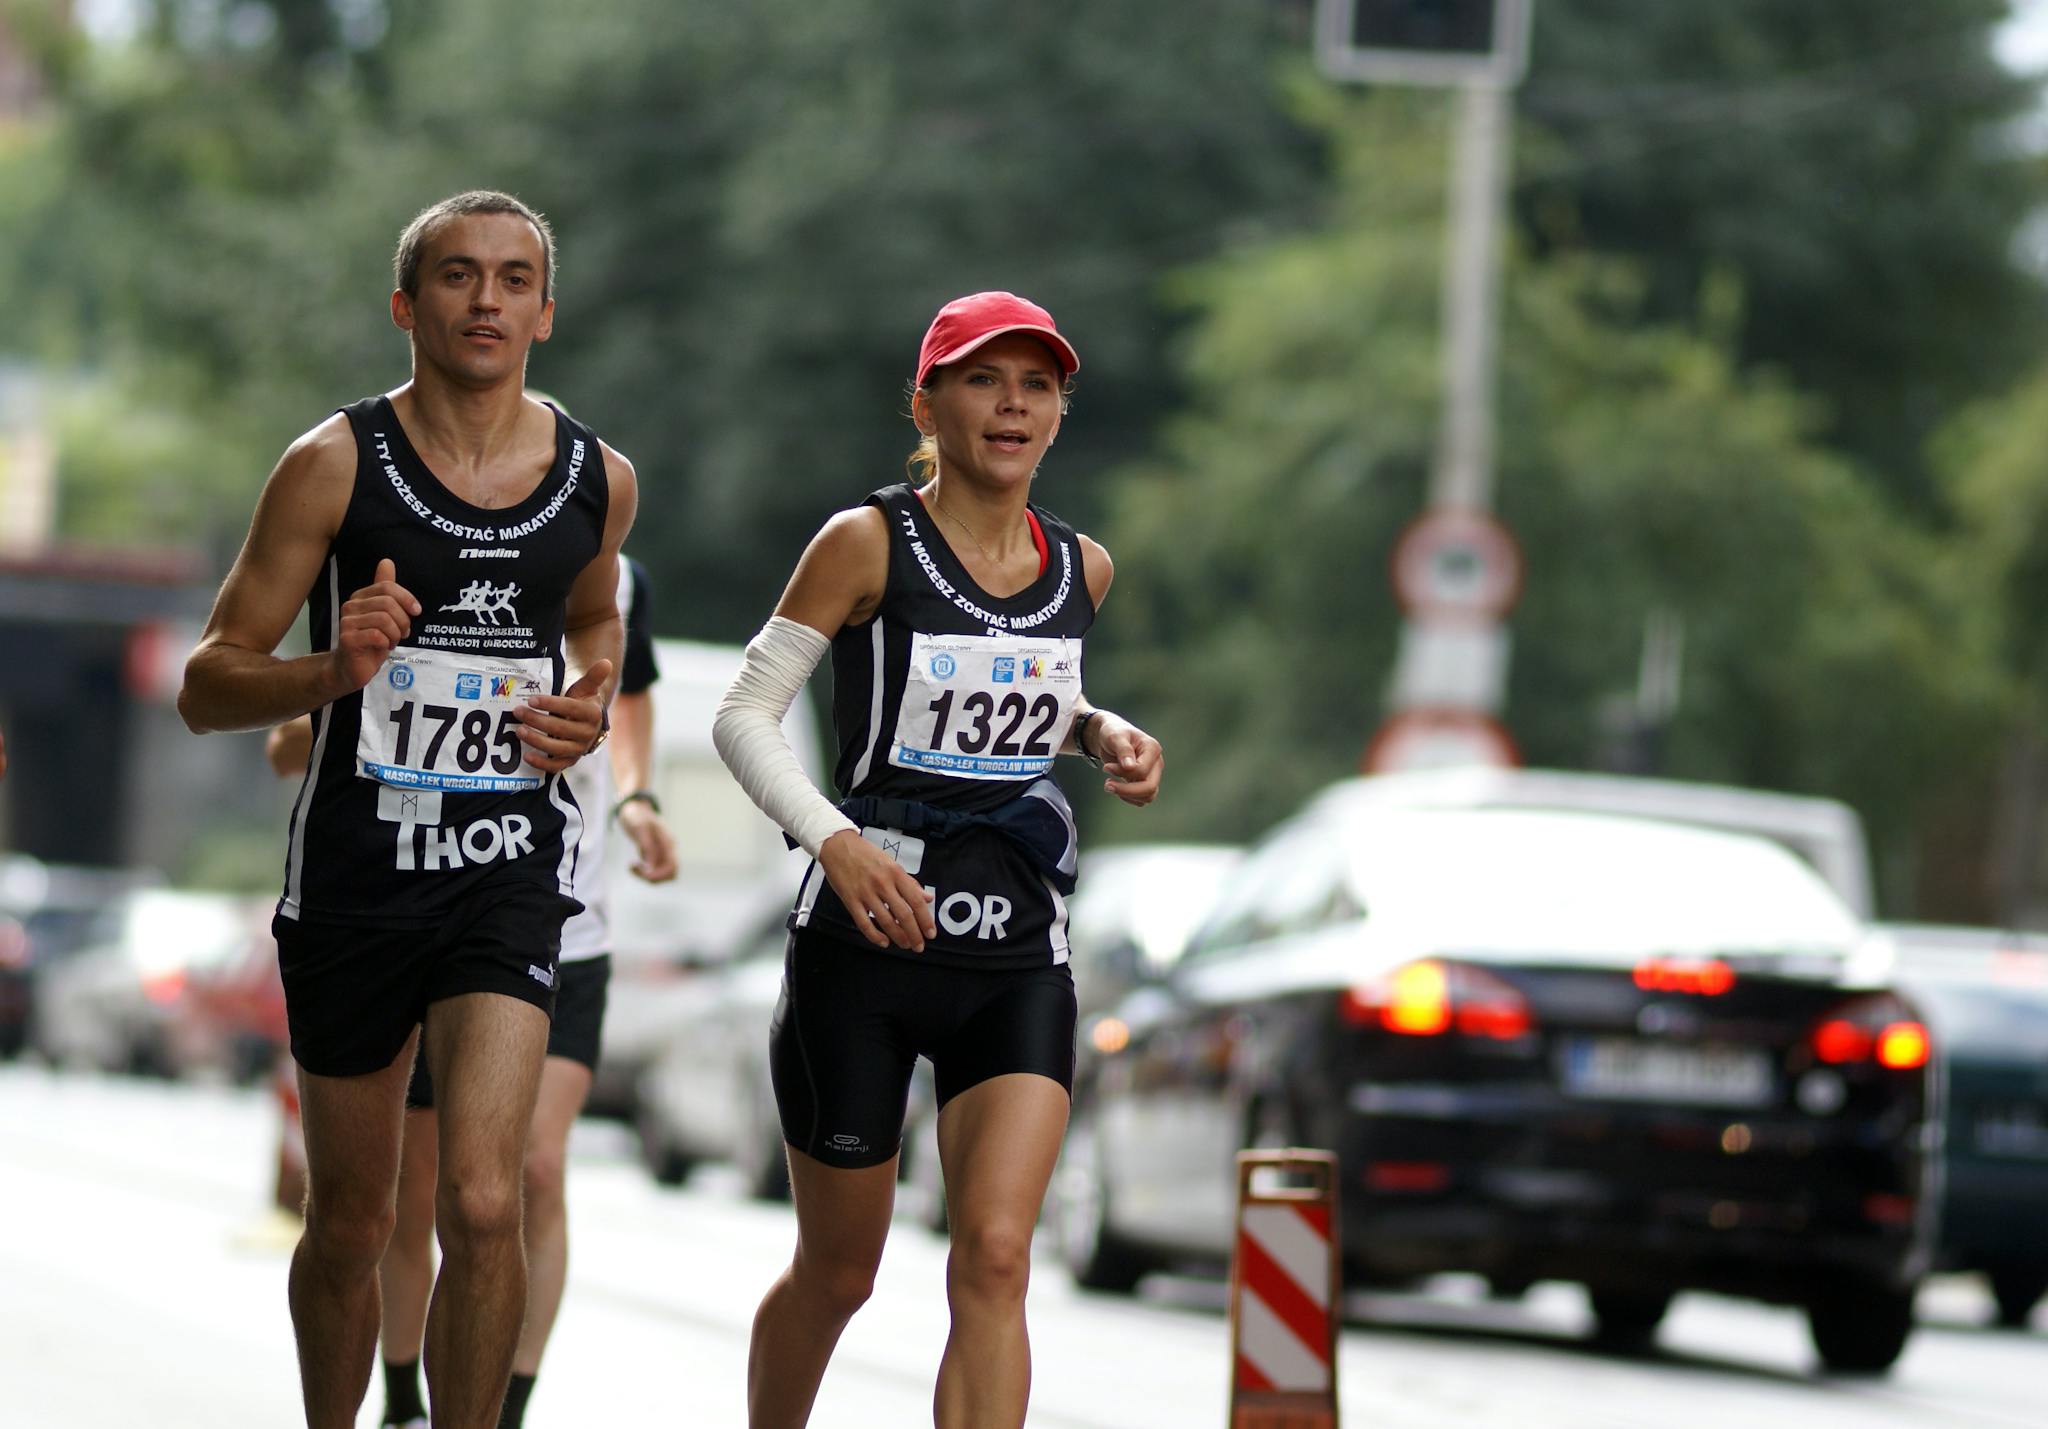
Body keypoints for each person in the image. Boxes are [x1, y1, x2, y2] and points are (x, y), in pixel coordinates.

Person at [178, 189, 638, 1429]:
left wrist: (587, 701)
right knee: (354, 1220)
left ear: (545, 310)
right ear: (406, 304)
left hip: (507, 863)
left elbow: (596, 615)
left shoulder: (599, 478)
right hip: (356, 878)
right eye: (455, 275)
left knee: (487, 1201)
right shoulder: (332, 464)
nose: (484, 298)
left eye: (510, 278)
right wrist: (332, 670)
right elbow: (205, 684)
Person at [711, 290, 1164, 1428]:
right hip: (863, 947)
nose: (1011, 404)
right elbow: (745, 715)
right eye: (981, 379)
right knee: (839, 1273)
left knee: (998, 1258)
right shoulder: (864, 541)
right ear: (927, 402)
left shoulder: (1084, 569)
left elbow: (1020, 688)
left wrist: (1095, 729)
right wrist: (836, 840)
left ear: (1058, 412)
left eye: (1037, 384)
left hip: (1012, 951)